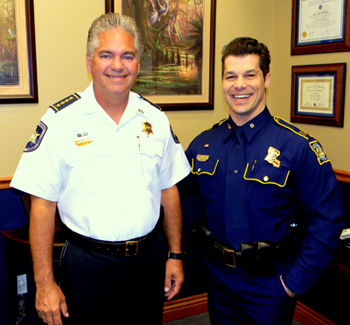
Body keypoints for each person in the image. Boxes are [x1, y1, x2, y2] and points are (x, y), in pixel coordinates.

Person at [11, 13, 190, 325]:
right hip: (87, 265)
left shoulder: (156, 119)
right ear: (89, 60)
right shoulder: (60, 121)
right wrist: (43, 284)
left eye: (127, 56)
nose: (117, 65)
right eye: (106, 55)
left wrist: (175, 255)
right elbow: (42, 205)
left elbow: (168, 189)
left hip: (148, 261)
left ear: (138, 62)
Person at [181, 37, 344, 324]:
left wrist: (292, 284)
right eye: (231, 76)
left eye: (249, 75)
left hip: (271, 285)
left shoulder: (296, 147)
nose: (239, 85)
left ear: (266, 79)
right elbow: (170, 188)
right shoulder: (205, 144)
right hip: (219, 280)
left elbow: (327, 220)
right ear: (222, 82)